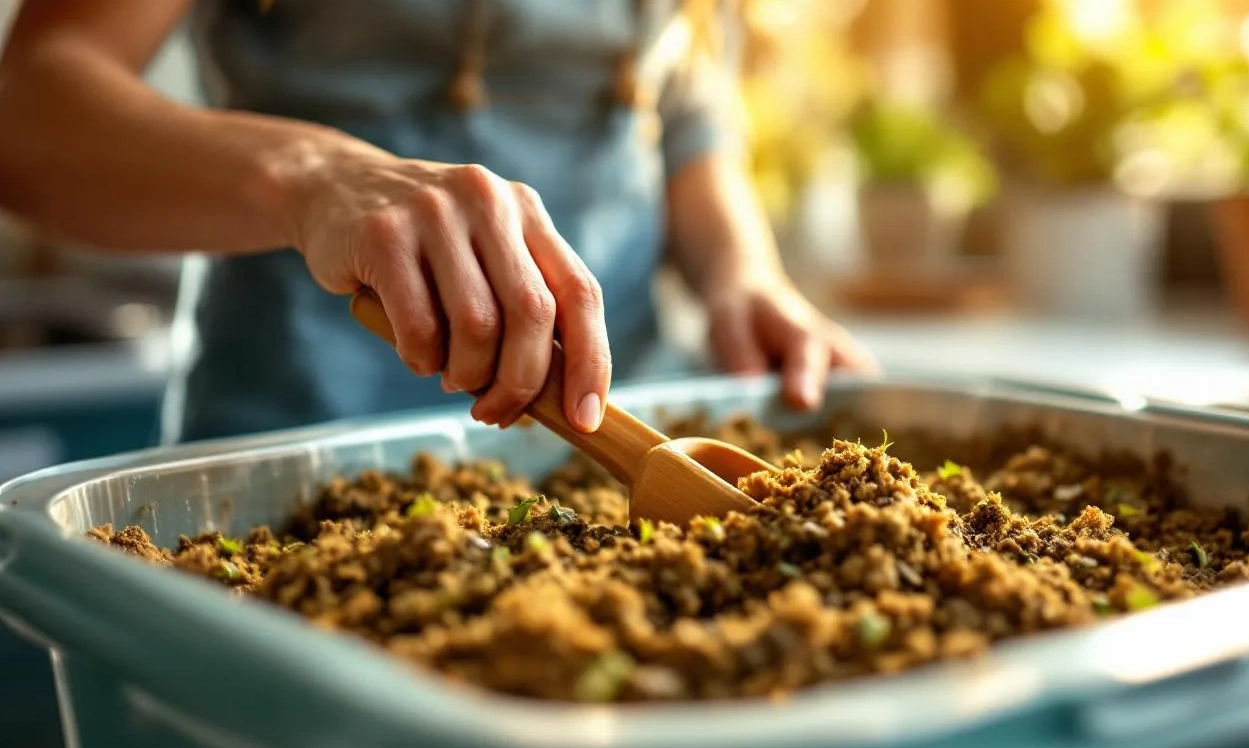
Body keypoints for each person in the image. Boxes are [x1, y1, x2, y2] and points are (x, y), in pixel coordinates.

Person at [0, 0, 875, 445]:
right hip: (305, 419)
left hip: (620, 426)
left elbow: (680, 107)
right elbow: (31, 111)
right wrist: (318, 175)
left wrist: (741, 273)